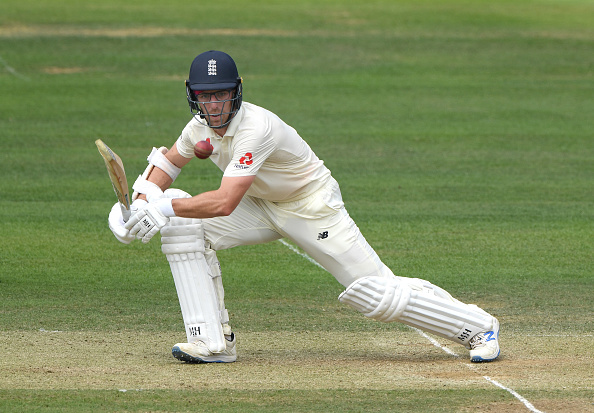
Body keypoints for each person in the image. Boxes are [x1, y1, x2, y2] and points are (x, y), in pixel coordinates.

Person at [108, 50, 501, 364]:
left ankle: (479, 326)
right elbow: (169, 163)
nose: (214, 104)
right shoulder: (198, 127)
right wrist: (137, 204)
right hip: (261, 204)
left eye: (221, 93)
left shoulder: (255, 128)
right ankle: (211, 342)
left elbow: (225, 202)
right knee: (182, 230)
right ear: (193, 94)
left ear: (237, 90)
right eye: (206, 95)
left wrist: (164, 209)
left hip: (311, 206)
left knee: (373, 294)